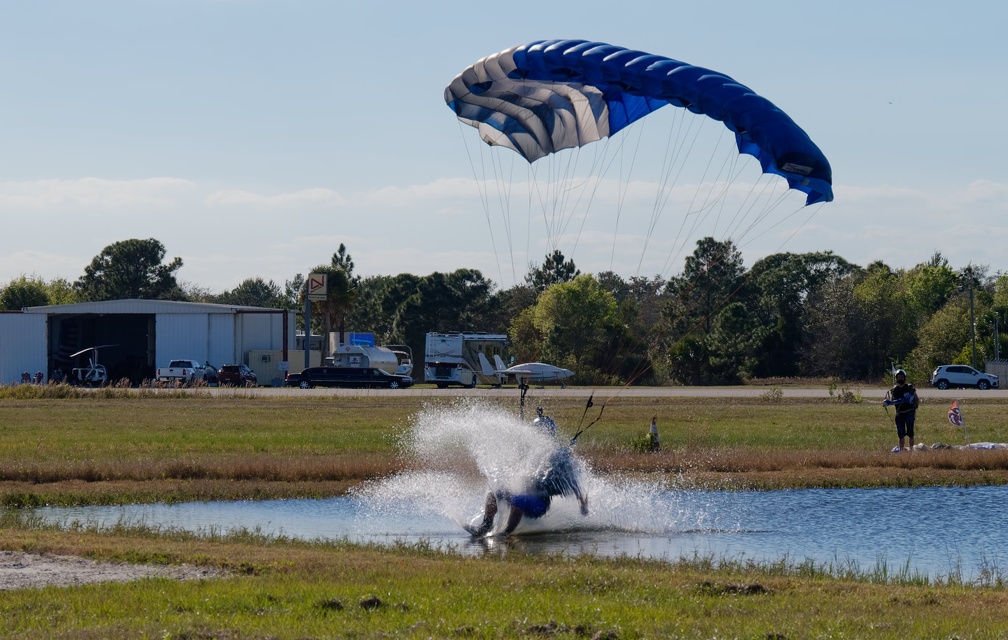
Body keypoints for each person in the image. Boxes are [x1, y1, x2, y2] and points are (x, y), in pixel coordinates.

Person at [466, 412, 588, 537]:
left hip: (539, 504)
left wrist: (582, 504)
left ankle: (506, 533)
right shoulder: (526, 451)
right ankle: (486, 525)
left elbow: (573, 482)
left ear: (548, 434)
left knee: (519, 500)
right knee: (494, 492)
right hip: (522, 494)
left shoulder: (558, 456)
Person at [883, 369, 918, 451]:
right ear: (896, 378)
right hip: (899, 415)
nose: (900, 378)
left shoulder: (909, 387)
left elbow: (913, 398)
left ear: (904, 378)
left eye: (902, 377)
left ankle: (911, 450)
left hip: (909, 414)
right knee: (901, 435)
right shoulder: (894, 389)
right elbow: (895, 400)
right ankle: (902, 451)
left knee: (910, 433)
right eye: (899, 377)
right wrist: (887, 402)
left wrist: (912, 401)